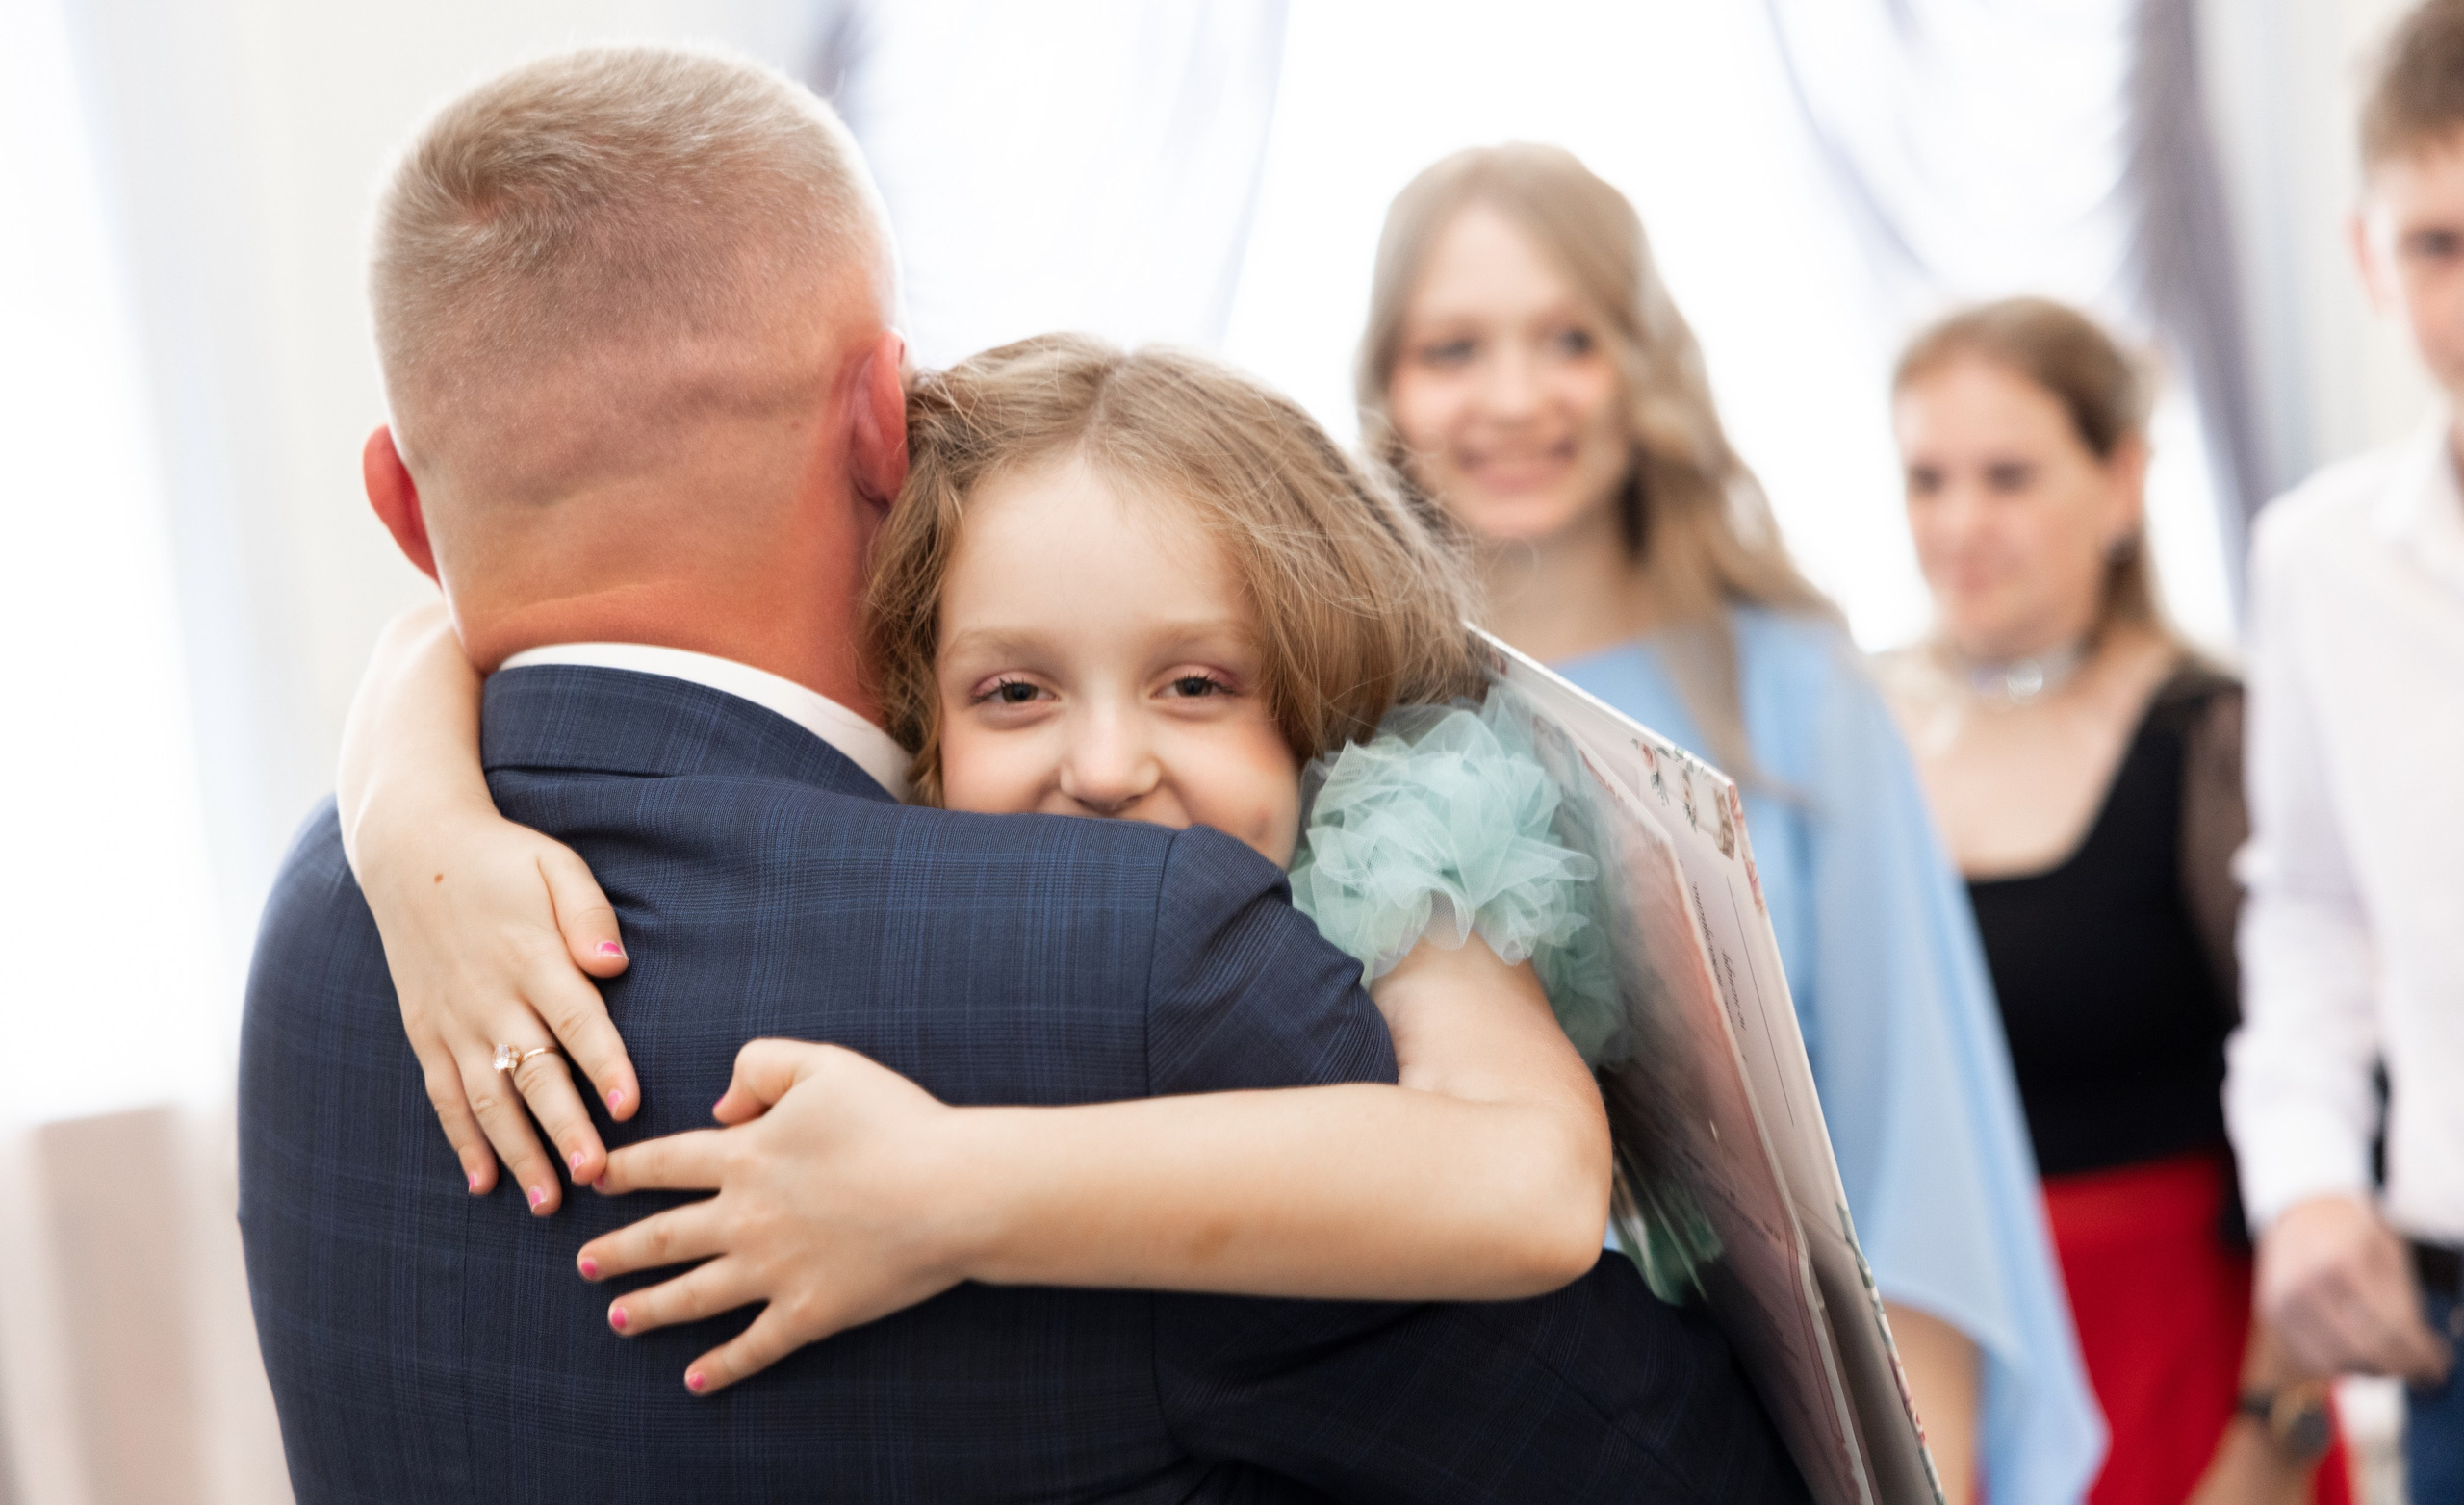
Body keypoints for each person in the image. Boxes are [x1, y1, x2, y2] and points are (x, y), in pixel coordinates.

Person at [237, 47, 1809, 1503]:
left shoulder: (325, 916)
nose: (1109, 769)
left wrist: (406, 799)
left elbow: (426, 648)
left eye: (1196, 681)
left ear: (396, 496)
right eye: (1017, 686)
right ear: (880, 428)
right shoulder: (1151, 973)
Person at [1352, 143, 2103, 1505]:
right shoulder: (1356, 707)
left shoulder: (1802, 696)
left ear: (1641, 368)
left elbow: (1914, 1139)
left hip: (1774, 1441)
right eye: (1454, 347)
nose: (1512, 397)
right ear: (1388, 387)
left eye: (1567, 338)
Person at [1878, 298, 2349, 1505]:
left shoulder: (2213, 739)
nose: (1959, 523)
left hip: (2185, 1372)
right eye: (1927, 479)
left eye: (2008, 477)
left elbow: (2320, 1089)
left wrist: (2269, 1435)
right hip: (1943, 1367)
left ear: (2121, 481)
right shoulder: (1861, 737)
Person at [2228, 1, 2464, 1495]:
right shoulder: (2317, 560)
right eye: (2441, 244)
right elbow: (2309, 907)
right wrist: (2306, 1183)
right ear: (2367, 258)